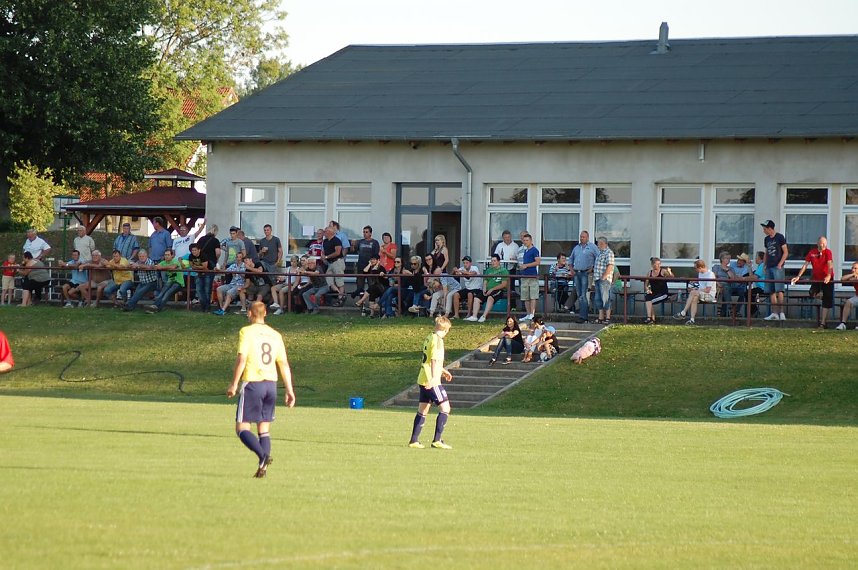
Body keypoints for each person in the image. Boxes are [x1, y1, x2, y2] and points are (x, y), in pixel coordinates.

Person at [226, 301, 296, 478]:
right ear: (265, 314)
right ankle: (263, 467)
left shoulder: (246, 332)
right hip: (271, 384)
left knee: (242, 428)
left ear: (249, 313)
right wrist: (289, 390)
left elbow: (242, 359)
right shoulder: (275, 335)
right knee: (264, 429)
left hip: (253, 383)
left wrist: (234, 383)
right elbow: (284, 364)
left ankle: (263, 456)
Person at [408, 316, 454, 450]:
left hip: (423, 377)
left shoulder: (430, 337)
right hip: (431, 380)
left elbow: (428, 359)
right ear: (445, 329)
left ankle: (414, 440)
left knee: (423, 410)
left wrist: (443, 370)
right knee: (445, 408)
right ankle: (437, 440)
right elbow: (434, 360)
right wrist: (435, 378)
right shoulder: (438, 341)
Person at [791, 236, 834, 328]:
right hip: (816, 278)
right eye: (821, 243)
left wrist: (829, 275)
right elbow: (805, 265)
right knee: (812, 293)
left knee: (827, 301)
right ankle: (821, 297)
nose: (823, 245)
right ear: (818, 243)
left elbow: (830, 264)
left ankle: (823, 323)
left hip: (827, 279)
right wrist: (798, 276)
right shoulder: (812, 252)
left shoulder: (828, 252)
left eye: (824, 244)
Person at [466, 254, 509, 323]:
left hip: (498, 290)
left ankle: (484, 316)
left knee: (490, 297)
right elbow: (485, 281)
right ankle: (474, 316)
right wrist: (484, 288)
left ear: (499, 262)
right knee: (476, 298)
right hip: (488, 290)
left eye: (494, 261)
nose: (493, 262)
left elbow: (504, 284)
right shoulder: (488, 270)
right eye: (492, 261)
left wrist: (492, 289)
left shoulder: (504, 271)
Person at [673, 259, 716, 325]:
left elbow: (707, 290)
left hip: (710, 296)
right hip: (701, 294)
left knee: (693, 293)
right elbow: (701, 287)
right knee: (694, 298)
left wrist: (695, 291)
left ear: (700, 267)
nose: (695, 270)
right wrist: (694, 288)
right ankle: (692, 320)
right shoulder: (700, 273)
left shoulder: (710, 275)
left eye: (695, 268)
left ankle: (683, 312)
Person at [567, 230, 598, 323]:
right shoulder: (576, 247)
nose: (581, 238)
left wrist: (592, 268)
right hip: (577, 273)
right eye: (580, 236)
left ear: (587, 237)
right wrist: (572, 270)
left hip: (586, 273)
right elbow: (571, 259)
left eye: (583, 237)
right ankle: (582, 315)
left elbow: (598, 259)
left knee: (583, 295)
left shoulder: (592, 247)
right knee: (579, 294)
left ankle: (583, 317)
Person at [761, 219, 788, 321]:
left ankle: (781, 312)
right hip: (769, 266)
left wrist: (780, 264)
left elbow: (785, 252)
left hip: (777, 267)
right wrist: (764, 265)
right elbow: (766, 252)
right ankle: (774, 313)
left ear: (770, 228)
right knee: (771, 290)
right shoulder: (766, 239)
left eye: (765, 229)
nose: (764, 231)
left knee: (779, 289)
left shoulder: (780, 237)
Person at [145, 249, 187, 314]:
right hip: (170, 281)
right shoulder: (163, 262)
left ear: (172, 255)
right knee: (162, 293)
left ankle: (157, 308)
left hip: (178, 282)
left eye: (168, 255)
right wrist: (160, 267)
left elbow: (173, 267)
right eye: (165, 255)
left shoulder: (175, 260)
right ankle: (154, 306)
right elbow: (156, 267)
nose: (166, 256)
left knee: (167, 294)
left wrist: (162, 267)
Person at [518, 233, 541, 322]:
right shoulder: (525, 251)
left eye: (527, 240)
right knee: (525, 296)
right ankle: (528, 314)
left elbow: (538, 262)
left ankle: (532, 313)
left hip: (532, 276)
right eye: (524, 240)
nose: (525, 242)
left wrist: (526, 265)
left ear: (531, 241)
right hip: (524, 275)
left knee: (533, 295)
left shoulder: (534, 250)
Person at [643, 257, 673, 324]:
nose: (659, 265)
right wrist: (647, 289)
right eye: (657, 264)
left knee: (650, 302)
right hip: (654, 293)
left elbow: (671, 277)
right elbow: (646, 284)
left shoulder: (663, 271)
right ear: (653, 265)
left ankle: (650, 318)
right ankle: (651, 319)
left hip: (663, 294)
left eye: (659, 264)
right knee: (647, 297)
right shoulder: (649, 273)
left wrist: (669, 272)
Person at [352, 225, 380, 297]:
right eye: (363, 232)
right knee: (360, 286)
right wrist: (353, 245)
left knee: (371, 285)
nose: (364, 233)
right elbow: (353, 250)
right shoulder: (360, 242)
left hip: (370, 267)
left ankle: (371, 303)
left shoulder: (375, 242)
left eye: (366, 232)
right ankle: (361, 304)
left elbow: (376, 255)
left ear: (370, 233)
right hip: (361, 266)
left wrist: (372, 264)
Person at [321, 225, 346, 305]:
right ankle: (341, 295)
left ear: (330, 232)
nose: (324, 233)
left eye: (325, 231)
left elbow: (338, 252)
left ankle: (340, 299)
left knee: (339, 281)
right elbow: (324, 251)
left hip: (337, 262)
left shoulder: (336, 240)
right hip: (330, 263)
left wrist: (327, 257)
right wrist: (323, 256)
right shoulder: (325, 241)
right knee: (329, 280)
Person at [593, 237, 615, 324]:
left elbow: (610, 266)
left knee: (605, 298)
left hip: (604, 280)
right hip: (597, 279)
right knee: (598, 299)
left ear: (604, 244)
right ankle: (601, 317)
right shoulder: (600, 253)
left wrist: (604, 277)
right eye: (598, 243)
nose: (598, 245)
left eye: (599, 243)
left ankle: (608, 317)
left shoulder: (608, 253)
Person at [187, 243, 212, 312]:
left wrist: (196, 267)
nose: (193, 252)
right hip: (198, 274)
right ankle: (203, 306)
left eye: (195, 250)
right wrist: (198, 268)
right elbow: (191, 266)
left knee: (207, 291)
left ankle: (207, 307)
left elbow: (205, 266)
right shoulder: (191, 256)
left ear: (199, 250)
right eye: (192, 250)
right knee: (199, 290)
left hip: (207, 273)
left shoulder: (203, 255)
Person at [711, 252, 737, 318]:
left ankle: (719, 312)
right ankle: (731, 310)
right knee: (722, 289)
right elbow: (713, 277)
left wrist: (727, 270)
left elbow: (733, 278)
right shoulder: (716, 267)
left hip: (727, 286)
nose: (729, 260)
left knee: (725, 288)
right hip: (717, 285)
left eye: (729, 259)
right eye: (727, 258)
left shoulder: (731, 269)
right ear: (722, 259)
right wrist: (718, 284)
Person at [835, 262, 858, 330]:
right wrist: (853, 274)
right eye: (852, 268)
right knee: (848, 302)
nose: (853, 270)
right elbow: (842, 279)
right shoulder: (853, 275)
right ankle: (843, 324)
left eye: (855, 268)